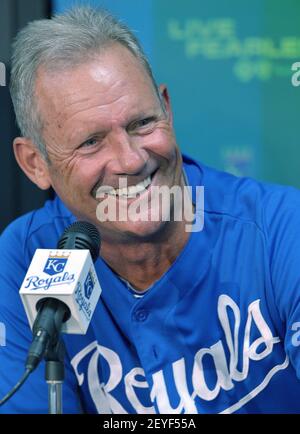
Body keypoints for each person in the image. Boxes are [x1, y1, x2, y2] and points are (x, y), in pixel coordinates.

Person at [0, 6, 300, 414]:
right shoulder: (25, 257)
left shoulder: (283, 230)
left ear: (166, 109)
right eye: (90, 142)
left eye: (142, 123)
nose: (129, 160)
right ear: (36, 163)